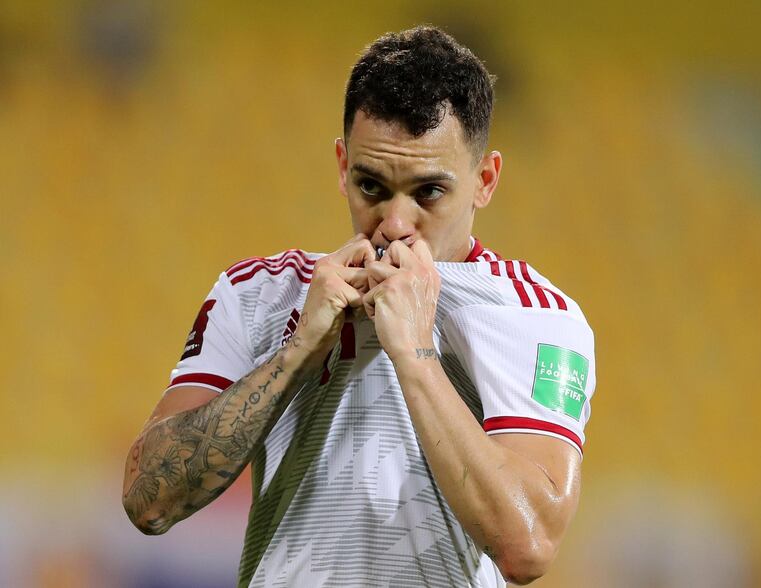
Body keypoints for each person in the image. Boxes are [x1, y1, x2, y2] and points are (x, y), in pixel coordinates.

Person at [122, 25, 596, 587]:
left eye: (428, 192)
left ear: (485, 180)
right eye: (372, 186)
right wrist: (299, 350)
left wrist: (417, 354)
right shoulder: (257, 292)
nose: (395, 225)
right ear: (343, 165)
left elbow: (530, 545)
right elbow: (147, 499)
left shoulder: (540, 318)